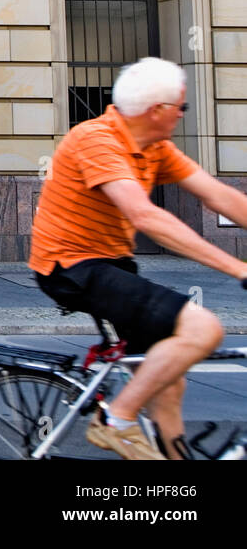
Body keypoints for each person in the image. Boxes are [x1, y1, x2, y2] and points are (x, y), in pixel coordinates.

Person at [31, 57, 247, 460]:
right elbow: (144, 215)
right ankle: (117, 419)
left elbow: (219, 196)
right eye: (181, 107)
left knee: (167, 378)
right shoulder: (97, 140)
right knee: (203, 330)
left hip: (112, 264)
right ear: (158, 111)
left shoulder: (153, 148)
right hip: (72, 268)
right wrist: (238, 268)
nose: (183, 115)